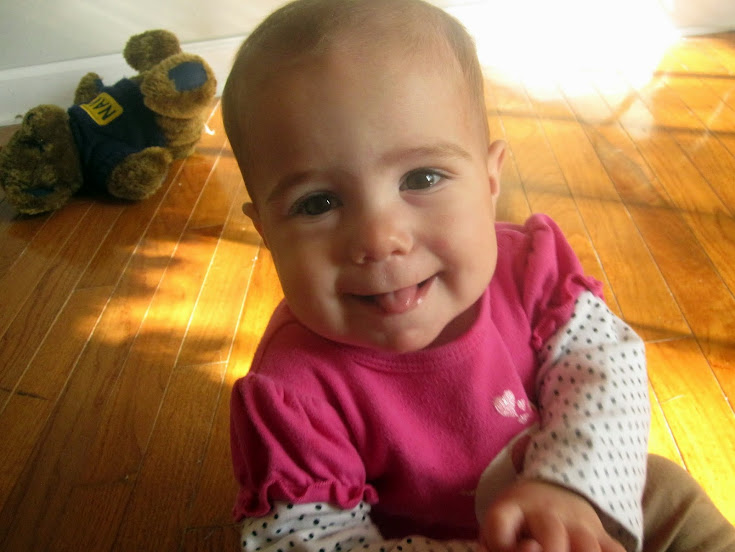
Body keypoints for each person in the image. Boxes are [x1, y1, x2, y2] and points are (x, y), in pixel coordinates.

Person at [221, 1, 735, 551]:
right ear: (266, 231)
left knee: (667, 490)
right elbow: (304, 540)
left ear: (490, 182)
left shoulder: (530, 273)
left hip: (566, 485)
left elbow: (604, 366)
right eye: (317, 203)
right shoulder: (292, 392)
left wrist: (566, 486)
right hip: (415, 540)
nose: (379, 239)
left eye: (422, 177)